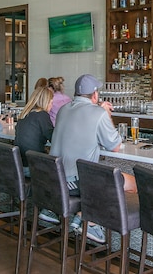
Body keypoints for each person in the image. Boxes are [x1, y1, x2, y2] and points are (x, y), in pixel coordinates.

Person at [47, 74, 137, 243]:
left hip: (54, 179)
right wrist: (105, 113)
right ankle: (92, 224)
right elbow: (115, 146)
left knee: (105, 179)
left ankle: (81, 215)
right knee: (132, 184)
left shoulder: (63, 109)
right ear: (95, 94)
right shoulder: (98, 113)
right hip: (75, 182)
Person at [14, 86, 54, 177]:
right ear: (46, 102)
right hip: (32, 167)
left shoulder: (24, 114)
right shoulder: (42, 115)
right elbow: (54, 138)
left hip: (19, 165)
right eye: (51, 102)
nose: (52, 106)